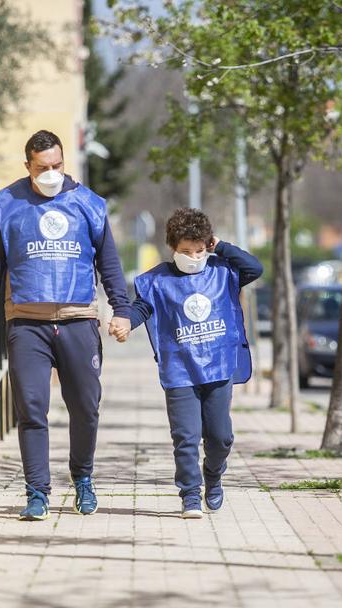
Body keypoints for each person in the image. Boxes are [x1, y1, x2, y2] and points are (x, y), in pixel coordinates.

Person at [0, 130, 131, 521]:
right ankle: (37, 491)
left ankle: (83, 479)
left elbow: (109, 264)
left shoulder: (89, 204)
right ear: (28, 166)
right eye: (42, 168)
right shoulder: (9, 203)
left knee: (86, 408)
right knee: (32, 408)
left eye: (57, 166)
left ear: (64, 163)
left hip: (78, 321)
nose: (51, 174)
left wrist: (120, 309)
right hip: (27, 323)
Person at [113, 208, 262, 518]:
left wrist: (219, 245)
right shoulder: (158, 280)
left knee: (220, 437)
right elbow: (141, 307)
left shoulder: (223, 271)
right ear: (172, 247)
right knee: (186, 437)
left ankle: (213, 474)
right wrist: (126, 322)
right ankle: (190, 495)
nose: (193, 257)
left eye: (198, 250)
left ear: (207, 246)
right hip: (180, 370)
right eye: (185, 251)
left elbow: (255, 268)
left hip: (218, 367)